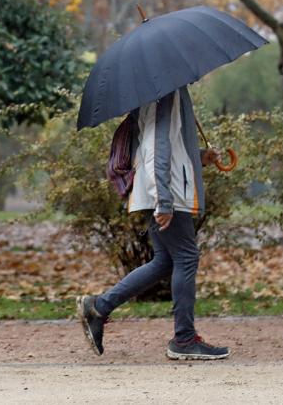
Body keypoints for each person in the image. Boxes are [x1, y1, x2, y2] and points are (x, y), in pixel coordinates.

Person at [76, 85, 230, 360]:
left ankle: (99, 306)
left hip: (157, 186)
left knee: (165, 261)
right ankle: (183, 339)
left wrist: (200, 156)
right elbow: (156, 147)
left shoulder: (159, 90)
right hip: (166, 188)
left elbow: (170, 145)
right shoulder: (165, 91)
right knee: (186, 257)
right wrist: (165, 200)